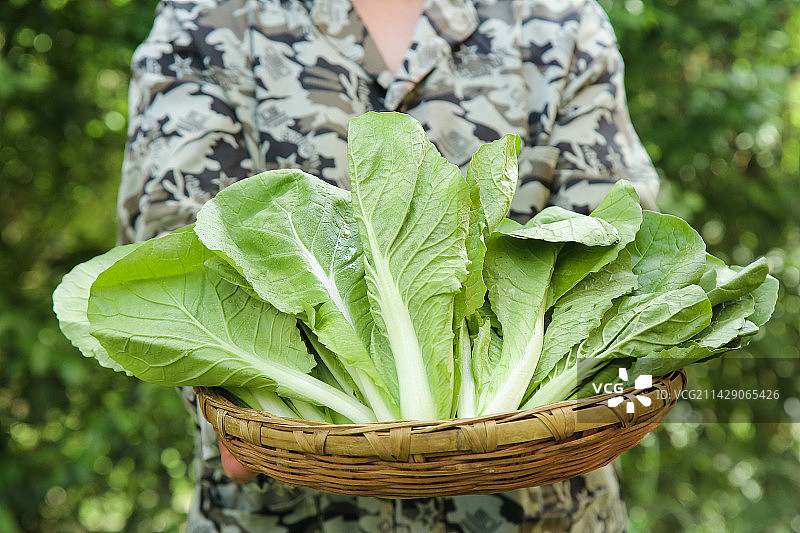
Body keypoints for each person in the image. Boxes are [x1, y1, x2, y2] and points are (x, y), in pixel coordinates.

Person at [118, 0, 660, 531]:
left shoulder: (559, 19)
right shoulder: (206, 19)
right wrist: (240, 414)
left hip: (543, 512)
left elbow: (621, 247)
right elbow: (177, 250)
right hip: (285, 511)